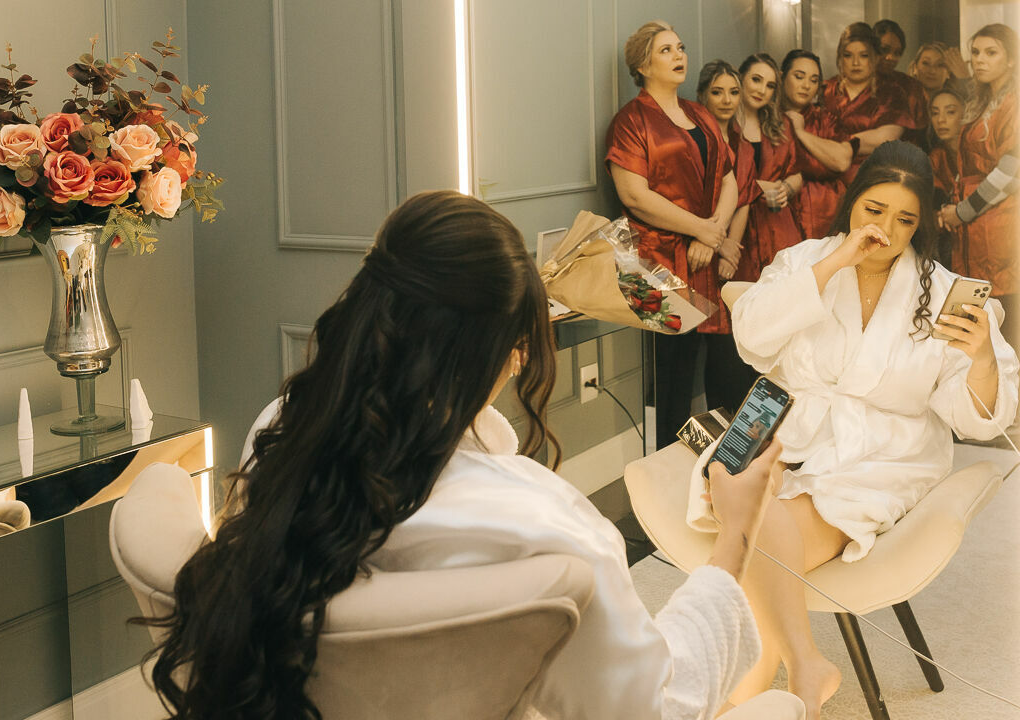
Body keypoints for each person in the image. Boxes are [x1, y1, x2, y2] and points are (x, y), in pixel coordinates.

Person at [143, 190, 792, 719]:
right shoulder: (540, 524)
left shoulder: (282, 435)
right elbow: (655, 711)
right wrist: (735, 534)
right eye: (515, 353)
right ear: (494, 357)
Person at [688, 141, 1019, 719]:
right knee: (748, 491)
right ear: (852, 204)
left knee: (758, 515)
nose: (885, 230)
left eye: (905, 219)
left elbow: (976, 418)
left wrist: (985, 359)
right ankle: (800, 660)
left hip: (883, 452)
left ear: (921, 225)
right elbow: (755, 339)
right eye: (874, 211)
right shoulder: (804, 261)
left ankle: (769, 670)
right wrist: (836, 261)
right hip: (788, 431)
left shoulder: (941, 294)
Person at [606, 21, 739, 444]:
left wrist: (710, 234)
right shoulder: (630, 120)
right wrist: (703, 229)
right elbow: (635, 196)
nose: (679, 55)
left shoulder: (699, 113)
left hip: (705, 257)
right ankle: (660, 469)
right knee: (670, 375)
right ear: (643, 65)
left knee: (711, 365)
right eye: (666, 50)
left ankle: (706, 465)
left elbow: (730, 177)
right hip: (651, 265)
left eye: (680, 47)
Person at [938, 24, 1019, 349]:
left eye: (991, 52)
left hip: (1000, 227)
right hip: (975, 232)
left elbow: (1011, 173)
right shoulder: (981, 103)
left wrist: (961, 211)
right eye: (975, 53)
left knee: (1006, 325)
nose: (980, 60)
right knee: (979, 329)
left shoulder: (1013, 104)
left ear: (1011, 59)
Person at [696, 59, 761, 413]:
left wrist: (731, 249)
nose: (726, 100)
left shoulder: (742, 143)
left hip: (733, 254)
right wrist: (719, 244)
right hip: (699, 245)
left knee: (734, 340)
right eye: (717, 92)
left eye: (733, 92)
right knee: (706, 343)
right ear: (702, 95)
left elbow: (745, 197)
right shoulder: (694, 137)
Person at [822, 23, 915, 185]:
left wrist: (836, 145)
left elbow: (886, 138)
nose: (855, 62)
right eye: (848, 55)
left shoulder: (892, 93)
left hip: (873, 180)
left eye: (864, 55)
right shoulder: (825, 90)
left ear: (876, 57)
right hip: (823, 179)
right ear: (839, 58)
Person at [736, 53, 803, 274]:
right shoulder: (722, 122)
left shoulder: (780, 124)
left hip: (777, 225)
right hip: (736, 225)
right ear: (741, 78)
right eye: (756, 80)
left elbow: (797, 173)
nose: (761, 90)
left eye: (770, 85)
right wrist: (758, 187)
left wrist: (786, 188)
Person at [779, 49, 855, 241]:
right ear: (782, 77)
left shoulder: (825, 119)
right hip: (780, 213)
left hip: (827, 213)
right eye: (799, 77)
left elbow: (841, 161)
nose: (806, 86)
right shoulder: (768, 119)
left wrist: (801, 133)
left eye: (813, 80)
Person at [873, 19, 930, 149]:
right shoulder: (856, 83)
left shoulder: (911, 87)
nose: (891, 57)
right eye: (884, 50)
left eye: (897, 53)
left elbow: (922, 136)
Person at [927, 87, 966, 268]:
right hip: (948, 235)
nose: (941, 120)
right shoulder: (936, 157)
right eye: (935, 113)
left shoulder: (979, 153)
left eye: (950, 112)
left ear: (966, 114)